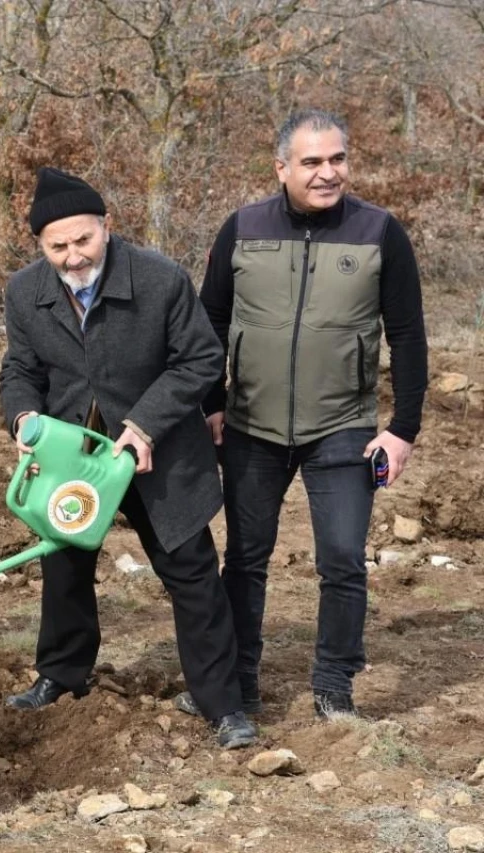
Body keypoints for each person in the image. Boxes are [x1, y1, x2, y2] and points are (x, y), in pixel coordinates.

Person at [0, 167, 257, 750]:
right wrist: (22, 419)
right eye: (56, 246)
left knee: (191, 575)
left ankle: (222, 704)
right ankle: (61, 677)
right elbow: (19, 369)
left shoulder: (160, 278)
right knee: (63, 571)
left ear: (107, 227)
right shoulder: (24, 292)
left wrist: (144, 425)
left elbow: (199, 359)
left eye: (82, 240)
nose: (72, 256)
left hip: (157, 455)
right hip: (73, 457)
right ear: (41, 246)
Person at [192, 109, 428, 719]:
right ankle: (236, 683)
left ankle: (333, 686)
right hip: (250, 425)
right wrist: (213, 403)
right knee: (245, 558)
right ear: (282, 168)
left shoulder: (380, 232)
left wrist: (402, 429)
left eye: (337, 159)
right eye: (312, 162)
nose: (328, 173)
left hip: (343, 429)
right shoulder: (242, 227)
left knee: (344, 559)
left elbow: (406, 334)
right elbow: (209, 320)